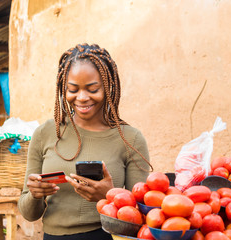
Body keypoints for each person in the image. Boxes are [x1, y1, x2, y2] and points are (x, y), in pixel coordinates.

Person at [18, 43, 152, 240]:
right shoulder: (46, 133)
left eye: (92, 89)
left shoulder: (130, 139)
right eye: (73, 89)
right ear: (63, 88)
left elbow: (143, 215)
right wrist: (35, 195)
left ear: (108, 87)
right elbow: (28, 213)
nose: (82, 98)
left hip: (106, 236)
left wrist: (110, 196)